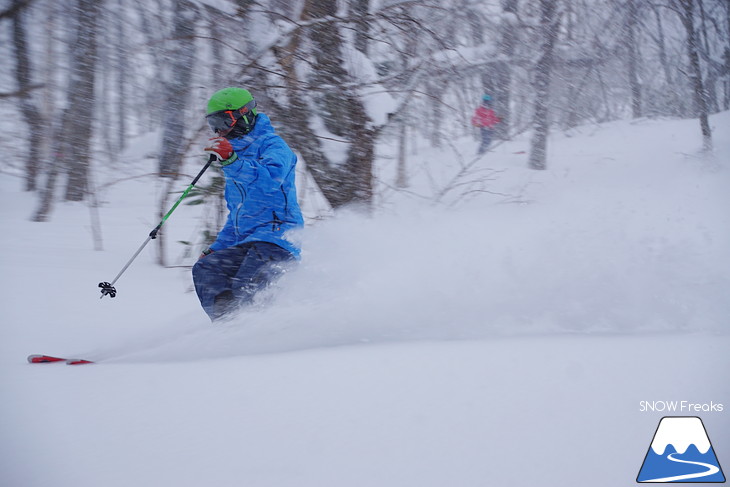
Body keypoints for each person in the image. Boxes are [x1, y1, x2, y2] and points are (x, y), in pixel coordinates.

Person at [192, 87, 304, 321]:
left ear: (245, 115)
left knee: (246, 289)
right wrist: (218, 246)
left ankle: (253, 334)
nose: (220, 130)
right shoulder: (233, 158)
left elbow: (269, 182)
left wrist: (232, 161)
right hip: (248, 242)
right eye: (214, 123)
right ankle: (227, 326)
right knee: (207, 268)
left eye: (224, 120)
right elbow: (239, 215)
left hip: (277, 240)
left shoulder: (273, 146)